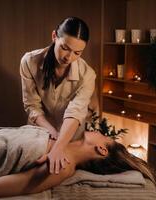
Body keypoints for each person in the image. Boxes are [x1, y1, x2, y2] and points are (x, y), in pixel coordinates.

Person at [0, 126, 156, 200]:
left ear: (102, 149)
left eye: (104, 136)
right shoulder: (59, 141)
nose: (100, 132)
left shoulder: (63, 167)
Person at [20, 17, 98, 175]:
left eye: (77, 53)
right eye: (65, 48)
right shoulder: (29, 61)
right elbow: (32, 106)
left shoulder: (87, 75)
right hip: (40, 131)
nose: (69, 57)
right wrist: (53, 134)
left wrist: (60, 145)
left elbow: (75, 112)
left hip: (71, 136)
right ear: (54, 36)